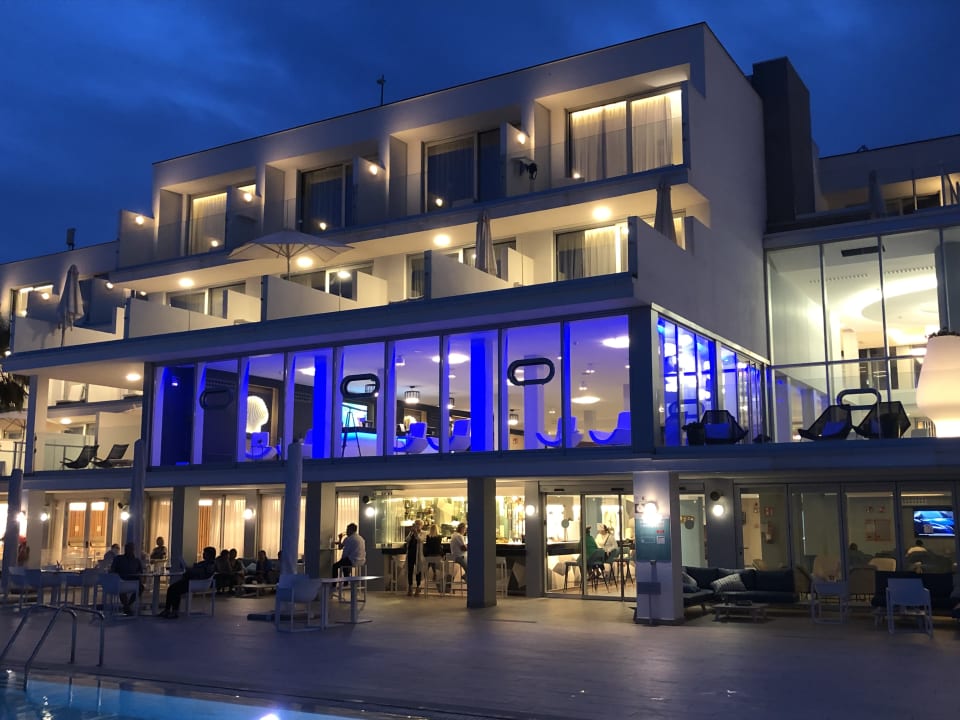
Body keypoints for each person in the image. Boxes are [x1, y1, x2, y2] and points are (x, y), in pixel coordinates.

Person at [159, 546, 216, 619]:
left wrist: (190, 570)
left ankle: (174, 611)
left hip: (197, 583)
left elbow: (201, 574)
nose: (203, 554)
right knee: (171, 588)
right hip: (193, 581)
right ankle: (168, 610)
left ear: (210, 555)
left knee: (175, 590)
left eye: (205, 553)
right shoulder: (204, 563)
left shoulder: (210, 565)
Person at [110, 542, 144, 615]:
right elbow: (112, 571)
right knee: (122, 587)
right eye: (127, 549)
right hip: (120, 581)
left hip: (132, 582)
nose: (129, 550)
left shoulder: (136, 561)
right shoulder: (119, 559)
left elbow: (141, 572)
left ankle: (127, 605)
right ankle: (127, 606)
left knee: (140, 587)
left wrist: (138, 577)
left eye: (130, 549)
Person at [405, 519, 424, 596]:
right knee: (410, 570)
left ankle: (418, 587)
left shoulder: (423, 533)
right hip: (411, 553)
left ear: (421, 526)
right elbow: (407, 540)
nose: (417, 526)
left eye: (418, 524)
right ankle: (410, 587)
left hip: (418, 554)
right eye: (416, 524)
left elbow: (420, 540)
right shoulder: (411, 533)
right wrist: (411, 533)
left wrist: (416, 533)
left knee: (418, 570)